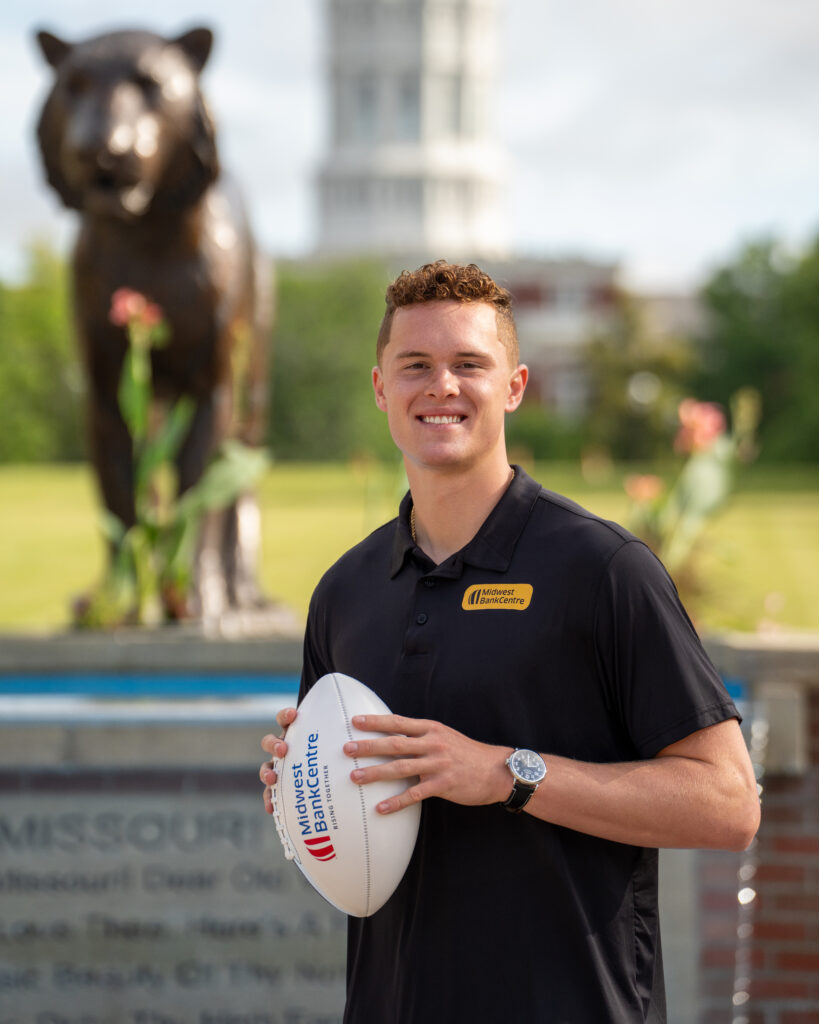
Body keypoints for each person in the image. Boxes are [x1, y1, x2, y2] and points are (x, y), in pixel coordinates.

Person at [260, 260, 760, 1023]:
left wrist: (507, 774)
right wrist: (301, 791)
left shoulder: (602, 570)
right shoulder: (346, 591)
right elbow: (355, 819)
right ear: (380, 389)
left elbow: (727, 804)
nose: (442, 387)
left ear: (516, 386)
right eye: (415, 366)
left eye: (469, 364)